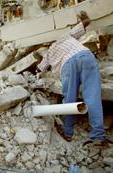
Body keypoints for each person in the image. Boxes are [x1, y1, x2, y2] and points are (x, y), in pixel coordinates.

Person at [35, 12, 111, 147]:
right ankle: (98, 136)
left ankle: (67, 131)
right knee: (93, 97)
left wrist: (39, 63)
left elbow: (39, 69)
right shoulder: (66, 37)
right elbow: (85, 23)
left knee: (69, 99)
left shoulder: (48, 53)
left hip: (68, 65)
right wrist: (82, 18)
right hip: (86, 56)